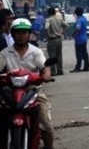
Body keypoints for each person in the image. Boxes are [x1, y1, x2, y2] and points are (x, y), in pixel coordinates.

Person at [0, 18, 55, 149]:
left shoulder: (36, 52)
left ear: (29, 34)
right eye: (18, 32)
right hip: (9, 93)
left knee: (47, 125)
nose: (21, 35)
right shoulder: (5, 53)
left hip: (33, 91)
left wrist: (46, 75)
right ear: (12, 34)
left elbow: (44, 66)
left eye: (24, 32)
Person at [45, 7, 68, 76]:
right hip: (59, 38)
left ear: (48, 13)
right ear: (55, 13)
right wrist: (62, 32)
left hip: (52, 39)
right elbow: (66, 26)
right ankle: (60, 70)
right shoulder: (59, 19)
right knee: (59, 55)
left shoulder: (49, 20)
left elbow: (46, 28)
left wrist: (49, 35)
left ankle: (53, 71)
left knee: (52, 56)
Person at [70, 7, 89, 72]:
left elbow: (78, 29)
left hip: (79, 40)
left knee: (79, 54)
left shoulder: (79, 20)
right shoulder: (84, 18)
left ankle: (78, 67)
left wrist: (74, 35)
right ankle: (86, 66)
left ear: (76, 13)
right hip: (84, 38)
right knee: (84, 53)